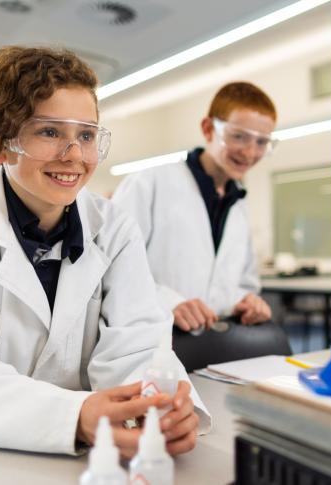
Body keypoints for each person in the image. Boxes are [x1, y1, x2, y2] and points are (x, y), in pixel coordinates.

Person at [0, 46, 208, 456]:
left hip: (90, 455)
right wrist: (74, 416)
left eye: (86, 134)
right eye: (49, 132)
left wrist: (161, 403)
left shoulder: (113, 227)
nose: (74, 155)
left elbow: (137, 347)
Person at [111, 82, 276, 332]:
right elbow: (112, 267)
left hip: (214, 345)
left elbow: (243, 283)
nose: (250, 152)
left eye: (262, 142)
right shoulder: (149, 183)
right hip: (152, 341)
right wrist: (167, 302)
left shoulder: (238, 202)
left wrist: (246, 302)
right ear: (208, 129)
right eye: (239, 136)